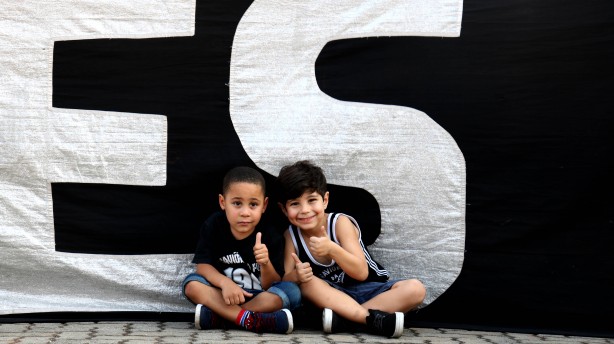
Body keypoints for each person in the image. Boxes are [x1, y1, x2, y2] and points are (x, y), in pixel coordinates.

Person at [277, 160, 426, 338]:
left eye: (311, 200)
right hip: (333, 297)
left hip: (370, 291)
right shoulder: (291, 235)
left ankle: (346, 321)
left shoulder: (339, 223)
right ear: (284, 210)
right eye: (295, 204)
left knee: (416, 289)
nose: (305, 210)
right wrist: (296, 276)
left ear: (325, 200)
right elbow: (286, 279)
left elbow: (361, 272)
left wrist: (332, 249)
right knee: (306, 283)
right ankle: (370, 320)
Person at [182, 166, 301, 334]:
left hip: (260, 297)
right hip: (224, 295)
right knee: (191, 284)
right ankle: (251, 320)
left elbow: (271, 284)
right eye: (237, 203)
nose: (245, 212)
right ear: (223, 202)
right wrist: (225, 283)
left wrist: (265, 264)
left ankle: (222, 317)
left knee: (292, 292)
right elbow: (202, 267)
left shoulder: (270, 233)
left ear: (264, 205)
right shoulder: (214, 225)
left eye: (253, 204)